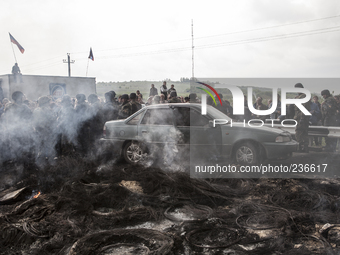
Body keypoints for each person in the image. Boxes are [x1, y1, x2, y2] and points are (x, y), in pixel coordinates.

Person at [294, 83, 311, 153]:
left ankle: (300, 148)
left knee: (299, 133)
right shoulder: (302, 96)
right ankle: (305, 147)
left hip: (301, 118)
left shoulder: (303, 96)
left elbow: (303, 108)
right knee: (304, 133)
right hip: (302, 118)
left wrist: (302, 118)